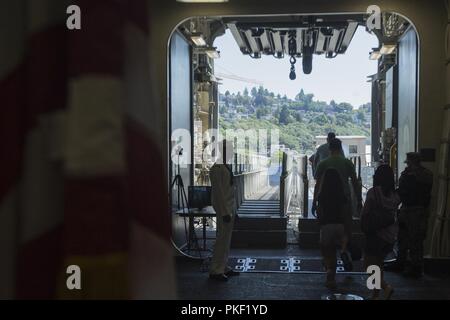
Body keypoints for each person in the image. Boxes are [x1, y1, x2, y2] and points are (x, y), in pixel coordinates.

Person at [313, 138, 362, 271]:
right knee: (346, 228)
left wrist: (314, 202)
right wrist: (359, 200)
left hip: (326, 201)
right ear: (340, 149)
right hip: (344, 200)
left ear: (329, 148)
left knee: (326, 227)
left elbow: (317, 184)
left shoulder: (323, 163)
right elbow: (355, 182)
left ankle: (328, 259)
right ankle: (344, 249)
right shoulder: (347, 163)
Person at [361, 165, 399, 300]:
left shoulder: (373, 192)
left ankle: (385, 287)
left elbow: (366, 212)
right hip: (390, 235)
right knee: (378, 265)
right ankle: (375, 295)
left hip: (376, 234)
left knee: (369, 266)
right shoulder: (395, 195)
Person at [392, 152, 433, 278]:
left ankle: (416, 267)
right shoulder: (423, 174)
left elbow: (420, 190)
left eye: (409, 162)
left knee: (416, 239)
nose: (408, 165)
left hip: (417, 210)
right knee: (402, 237)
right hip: (408, 209)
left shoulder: (424, 175)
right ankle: (402, 262)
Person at [209, 139, 240, 281]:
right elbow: (218, 194)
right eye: (230, 150)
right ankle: (215, 270)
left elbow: (229, 191)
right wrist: (224, 212)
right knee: (221, 240)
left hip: (229, 208)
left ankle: (223, 266)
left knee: (226, 240)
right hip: (224, 210)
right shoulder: (217, 169)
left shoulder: (226, 166)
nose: (232, 152)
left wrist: (234, 210)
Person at [316, 168, 347, 290]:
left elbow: (319, 212)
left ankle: (330, 275)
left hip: (326, 225)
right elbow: (345, 212)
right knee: (335, 250)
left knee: (328, 252)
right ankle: (343, 251)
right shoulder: (341, 194)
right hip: (339, 225)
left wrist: (319, 221)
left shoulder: (322, 195)